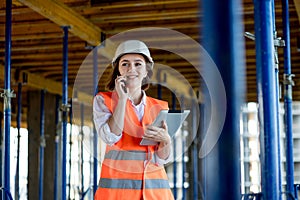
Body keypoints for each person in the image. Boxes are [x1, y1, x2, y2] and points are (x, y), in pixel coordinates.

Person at [93, 40, 174, 200]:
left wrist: (166, 142)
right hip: (118, 194)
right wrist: (122, 99)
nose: (131, 69)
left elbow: (160, 159)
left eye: (138, 64)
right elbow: (110, 137)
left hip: (156, 195)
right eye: (125, 64)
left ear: (146, 71)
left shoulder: (160, 107)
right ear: (117, 70)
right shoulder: (104, 101)